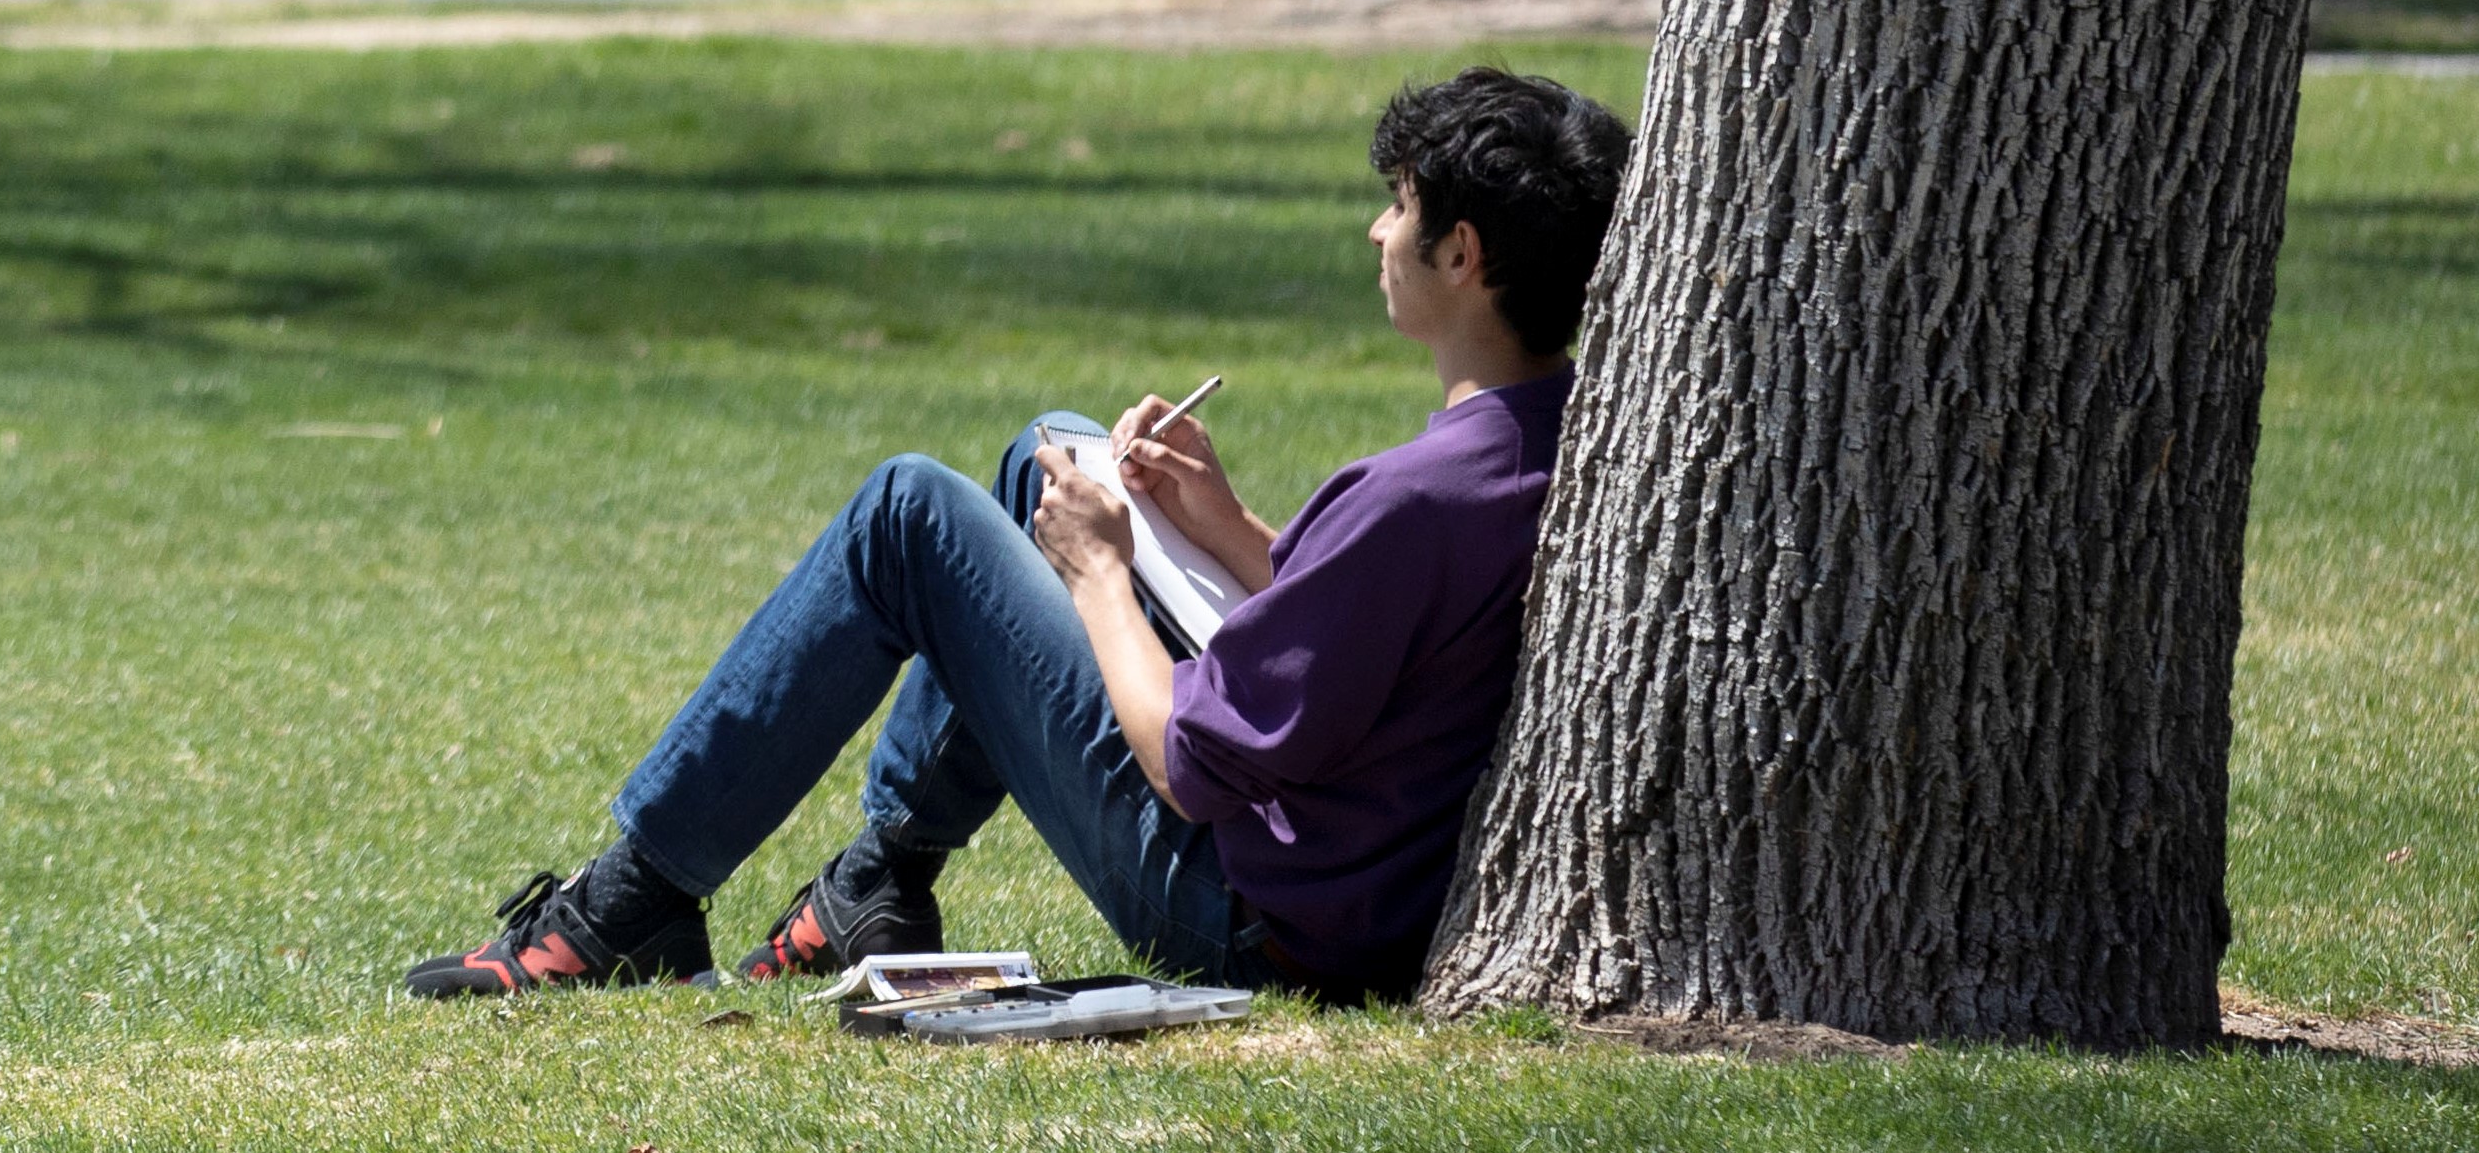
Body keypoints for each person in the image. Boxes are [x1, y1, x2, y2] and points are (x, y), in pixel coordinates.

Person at [397, 68, 1618, 1006]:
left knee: (909, 511)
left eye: (1399, 206)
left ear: (1463, 253)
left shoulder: (1410, 493)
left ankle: (631, 902)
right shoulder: (1554, 442)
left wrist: (1099, 570)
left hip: (1241, 908)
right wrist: (1226, 527)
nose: (1374, 231)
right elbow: (1365, 643)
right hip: (1338, 886)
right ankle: (877, 881)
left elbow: (1189, 759)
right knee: (1053, 440)